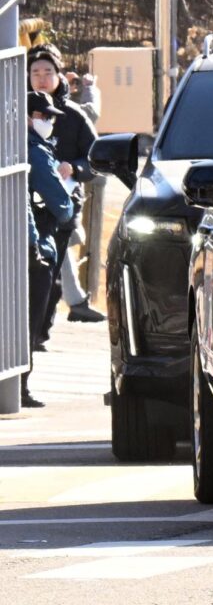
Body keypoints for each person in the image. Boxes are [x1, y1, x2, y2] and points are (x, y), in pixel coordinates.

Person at [27, 43, 104, 333]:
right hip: (26, 204)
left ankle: (40, 328)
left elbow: (95, 157)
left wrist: (74, 167)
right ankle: (35, 328)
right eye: (35, 72)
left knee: (52, 264)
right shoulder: (18, 111)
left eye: (48, 72)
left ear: (60, 76)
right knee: (38, 269)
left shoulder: (73, 116)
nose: (42, 78)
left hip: (63, 203)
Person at [25, 91, 74, 406]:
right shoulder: (37, 153)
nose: (49, 122)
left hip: (29, 244)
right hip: (38, 247)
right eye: (43, 116)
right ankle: (19, 387)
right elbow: (62, 204)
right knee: (29, 321)